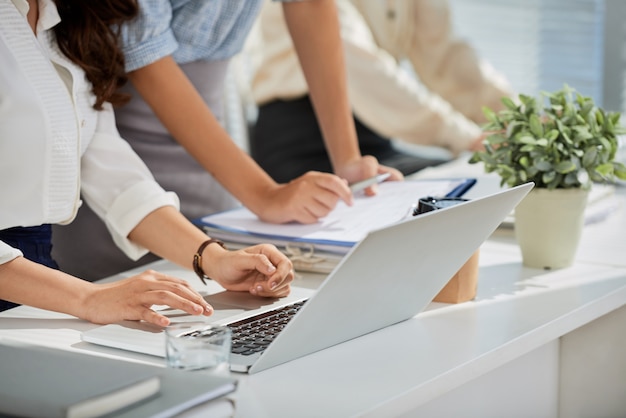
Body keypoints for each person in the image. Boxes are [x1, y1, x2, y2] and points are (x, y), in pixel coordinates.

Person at [51, 0, 403, 282]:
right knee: (128, 314)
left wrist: (348, 159)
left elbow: (310, 4)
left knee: (218, 306)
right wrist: (264, 194)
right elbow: (146, 56)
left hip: (212, 157)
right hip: (118, 152)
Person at [0, 0, 293, 326]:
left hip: (36, 283)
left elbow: (114, 174)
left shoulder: (63, 17)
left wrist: (213, 258)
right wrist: (89, 297)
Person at [246, 0, 514, 183]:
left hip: (374, 135)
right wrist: (467, 138)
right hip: (300, 137)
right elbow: (361, 65)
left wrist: (514, 119)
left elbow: (444, 54)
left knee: (461, 188)